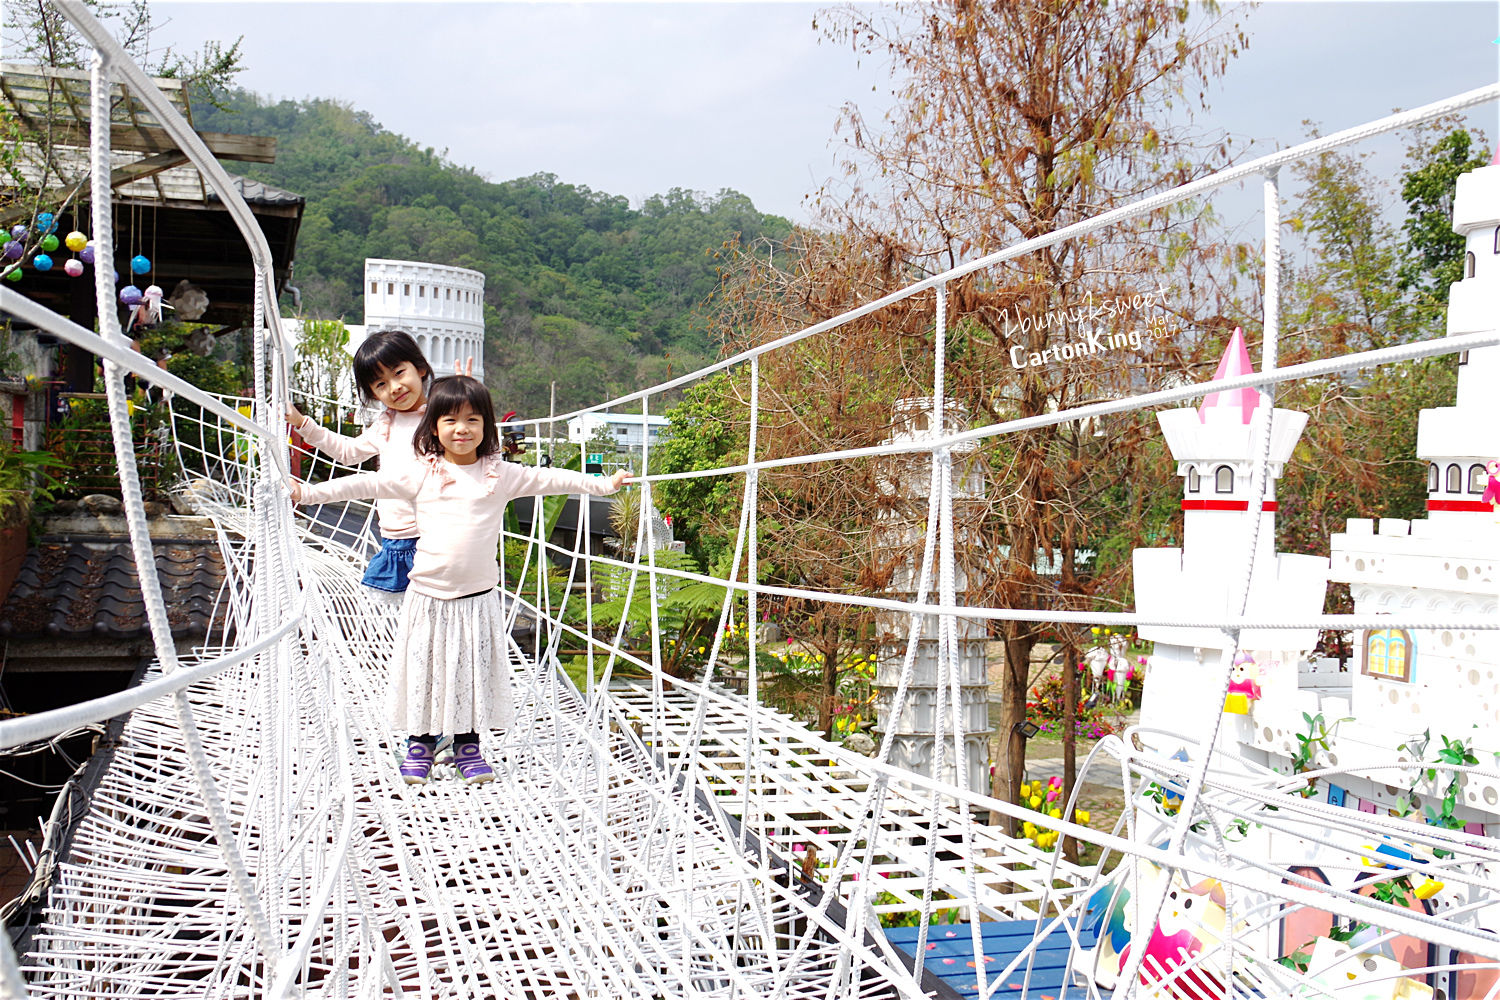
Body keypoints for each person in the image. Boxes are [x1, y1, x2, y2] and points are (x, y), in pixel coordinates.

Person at [291, 375, 630, 785]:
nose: (462, 429)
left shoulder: (500, 474)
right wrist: (306, 494)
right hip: (428, 596)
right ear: (433, 427)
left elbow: (552, 479)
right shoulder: (421, 473)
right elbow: (367, 483)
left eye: (472, 419)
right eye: (450, 420)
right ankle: (422, 744)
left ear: (487, 426)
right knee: (426, 670)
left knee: (471, 670)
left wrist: (601, 485)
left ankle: (468, 746)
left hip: (478, 598)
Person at [287, 330, 468, 598]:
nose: (394, 387)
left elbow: (473, 453)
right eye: (381, 384)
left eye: (398, 373)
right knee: (403, 623)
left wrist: (465, 405)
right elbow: (347, 452)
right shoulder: (386, 425)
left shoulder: (441, 417)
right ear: (373, 393)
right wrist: (302, 424)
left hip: (437, 538)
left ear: (419, 368)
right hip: (394, 542)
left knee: (441, 617)